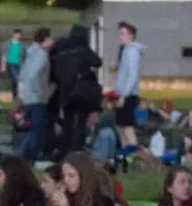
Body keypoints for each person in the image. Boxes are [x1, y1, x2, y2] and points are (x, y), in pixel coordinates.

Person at [50, 25, 103, 155]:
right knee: (80, 122)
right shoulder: (83, 50)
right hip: (81, 92)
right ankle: (77, 149)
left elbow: (56, 73)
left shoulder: (63, 52)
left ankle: (65, 149)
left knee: (67, 122)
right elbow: (97, 62)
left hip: (65, 93)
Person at [18, 28, 53, 161]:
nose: (52, 41)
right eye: (50, 38)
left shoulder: (30, 53)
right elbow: (33, 76)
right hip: (37, 97)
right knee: (37, 130)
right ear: (44, 40)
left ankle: (26, 156)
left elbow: (23, 74)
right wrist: (41, 93)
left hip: (28, 96)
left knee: (34, 128)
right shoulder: (41, 55)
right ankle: (23, 155)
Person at [113, 21, 144, 147]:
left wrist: (124, 95)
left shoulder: (132, 51)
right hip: (123, 93)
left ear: (131, 36)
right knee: (120, 126)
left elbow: (132, 75)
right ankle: (126, 153)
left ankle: (134, 154)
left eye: (123, 34)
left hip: (128, 95)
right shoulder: (125, 51)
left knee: (127, 127)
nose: (120, 36)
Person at [5, 28, 25, 103]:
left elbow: (23, 56)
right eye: (17, 34)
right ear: (14, 34)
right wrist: (3, 65)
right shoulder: (8, 44)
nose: (18, 36)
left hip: (19, 64)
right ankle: (20, 94)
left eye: (19, 35)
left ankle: (14, 96)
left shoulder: (21, 45)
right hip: (10, 63)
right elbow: (4, 54)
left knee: (13, 81)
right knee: (17, 78)